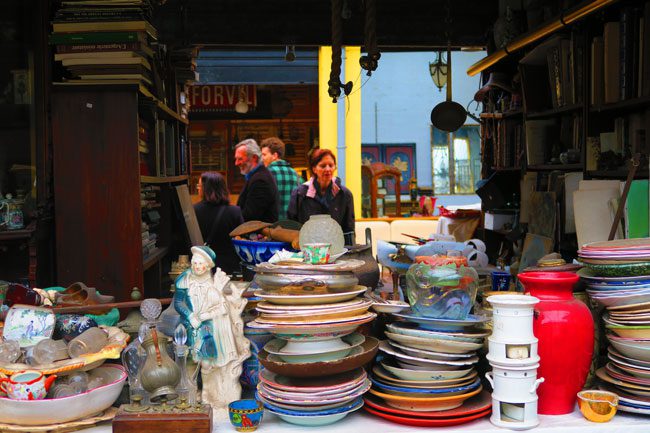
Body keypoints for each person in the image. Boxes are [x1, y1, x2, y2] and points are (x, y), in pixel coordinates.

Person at [287, 148, 355, 236]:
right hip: (306, 247)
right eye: (323, 166)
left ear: (335, 167)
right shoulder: (299, 194)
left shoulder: (345, 195)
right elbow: (292, 227)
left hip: (336, 248)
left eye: (331, 165)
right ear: (314, 169)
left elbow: (349, 230)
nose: (328, 169)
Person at [193, 172, 243, 275]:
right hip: (228, 267)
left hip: (202, 265)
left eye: (199, 186)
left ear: (206, 188)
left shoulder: (193, 211)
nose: (198, 189)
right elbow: (243, 239)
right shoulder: (235, 212)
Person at [234, 139, 279, 223]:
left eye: (240, 159)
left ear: (254, 157)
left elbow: (250, 216)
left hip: (259, 234)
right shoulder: (257, 176)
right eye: (236, 159)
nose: (236, 163)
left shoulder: (260, 180)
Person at [260, 136, 302, 220]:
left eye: (264, 155)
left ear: (275, 155)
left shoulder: (264, 175)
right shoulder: (297, 176)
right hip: (292, 227)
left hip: (271, 228)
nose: (262, 158)